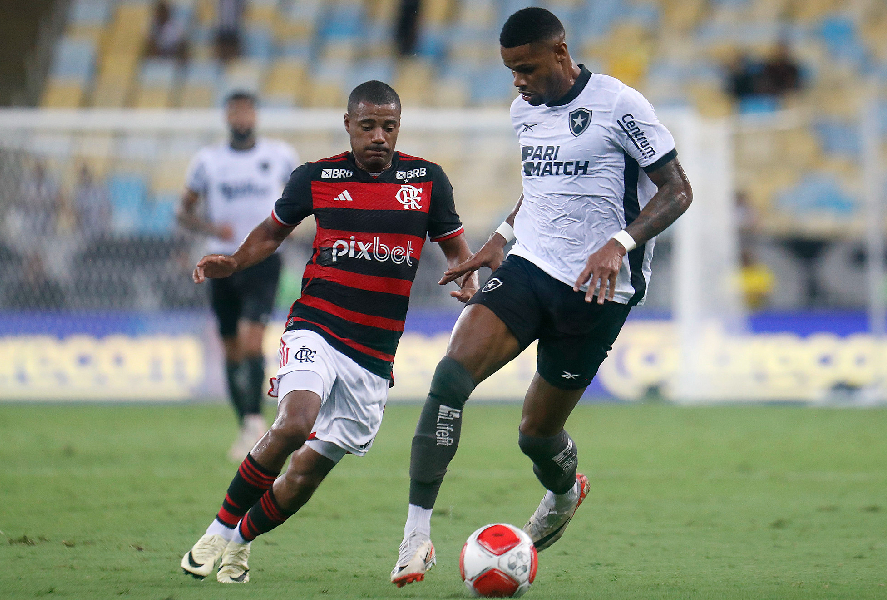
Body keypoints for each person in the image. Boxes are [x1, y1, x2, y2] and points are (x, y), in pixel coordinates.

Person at [390, 7, 693, 587]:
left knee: (536, 434)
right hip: (530, 268)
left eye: (526, 68)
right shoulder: (523, 112)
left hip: (599, 289)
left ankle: (563, 490)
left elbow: (678, 191)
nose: (517, 82)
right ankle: (416, 536)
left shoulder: (619, 105)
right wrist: (500, 239)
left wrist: (620, 242)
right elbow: (541, 191)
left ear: (560, 51)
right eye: (510, 71)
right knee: (450, 378)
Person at [180, 80, 477, 583]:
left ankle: (241, 539)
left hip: (374, 354)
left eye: (389, 126)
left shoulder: (428, 182)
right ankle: (218, 528)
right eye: (368, 126)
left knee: (305, 473)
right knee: (294, 423)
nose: (379, 136)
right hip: (315, 325)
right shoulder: (316, 177)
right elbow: (272, 233)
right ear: (348, 126)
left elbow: (456, 250)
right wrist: (233, 262)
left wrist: (467, 276)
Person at [178, 91, 300, 461]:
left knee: (251, 343)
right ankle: (247, 422)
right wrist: (211, 225)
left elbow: (300, 200)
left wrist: (288, 228)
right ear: (227, 116)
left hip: (262, 260)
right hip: (221, 260)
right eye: (235, 111)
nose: (242, 117)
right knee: (230, 347)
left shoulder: (279, 157)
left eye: (247, 111)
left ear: (256, 116)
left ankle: (255, 423)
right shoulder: (207, 162)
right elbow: (183, 212)